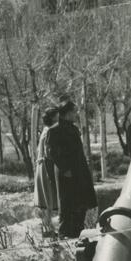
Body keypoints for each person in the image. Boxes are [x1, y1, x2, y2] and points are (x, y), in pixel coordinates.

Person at [46, 99, 98, 238]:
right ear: (67, 113)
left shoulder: (73, 128)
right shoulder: (54, 131)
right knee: (68, 203)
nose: (76, 114)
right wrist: (65, 169)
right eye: (74, 112)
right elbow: (52, 153)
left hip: (79, 170)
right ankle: (65, 233)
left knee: (81, 203)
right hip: (66, 174)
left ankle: (78, 231)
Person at [34, 106, 59, 236]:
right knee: (49, 196)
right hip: (46, 166)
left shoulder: (46, 131)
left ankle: (48, 228)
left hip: (42, 166)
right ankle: (48, 229)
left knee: (47, 198)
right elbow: (48, 153)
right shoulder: (49, 131)